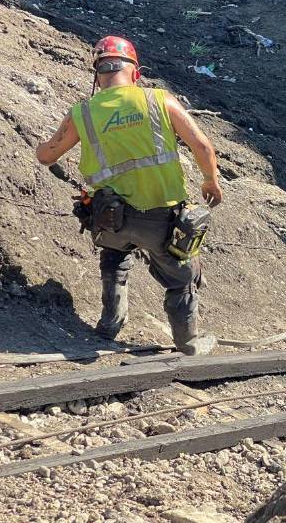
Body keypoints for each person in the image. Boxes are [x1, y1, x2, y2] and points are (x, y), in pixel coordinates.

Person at [35, 36, 223, 355]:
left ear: (98, 75)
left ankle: (109, 324)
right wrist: (210, 181)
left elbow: (46, 155)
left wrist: (47, 142)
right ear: (135, 71)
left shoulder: (83, 113)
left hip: (109, 216)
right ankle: (189, 341)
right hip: (162, 219)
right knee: (181, 276)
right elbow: (202, 145)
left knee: (114, 255)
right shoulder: (159, 100)